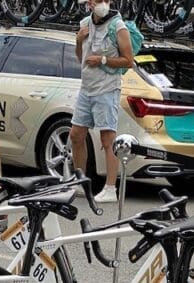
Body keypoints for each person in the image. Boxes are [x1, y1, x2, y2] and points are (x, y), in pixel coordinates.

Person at [71, 0, 134, 204]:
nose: (102, 4)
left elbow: (129, 60)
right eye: (98, 1)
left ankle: (110, 188)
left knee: (108, 139)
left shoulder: (118, 26)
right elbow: (80, 57)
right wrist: (79, 41)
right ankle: (80, 182)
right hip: (86, 88)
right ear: (89, 4)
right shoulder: (84, 24)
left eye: (105, 0)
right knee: (76, 135)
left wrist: (103, 60)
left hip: (107, 89)